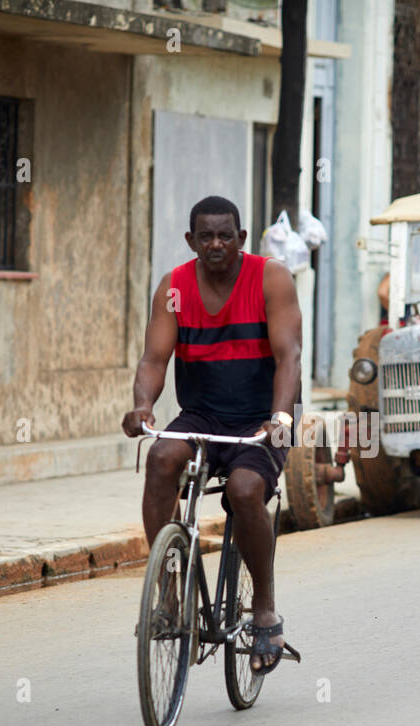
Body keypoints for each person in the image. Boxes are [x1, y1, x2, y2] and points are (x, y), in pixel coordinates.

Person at [122, 196, 303, 673]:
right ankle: (169, 593)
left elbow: (290, 357)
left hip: (263, 417)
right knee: (160, 459)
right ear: (191, 241)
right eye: (206, 236)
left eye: (226, 235)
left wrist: (280, 419)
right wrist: (142, 406)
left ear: (242, 239)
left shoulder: (270, 278)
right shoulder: (175, 287)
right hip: (202, 414)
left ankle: (264, 606)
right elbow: (154, 360)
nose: (216, 244)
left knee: (246, 491)